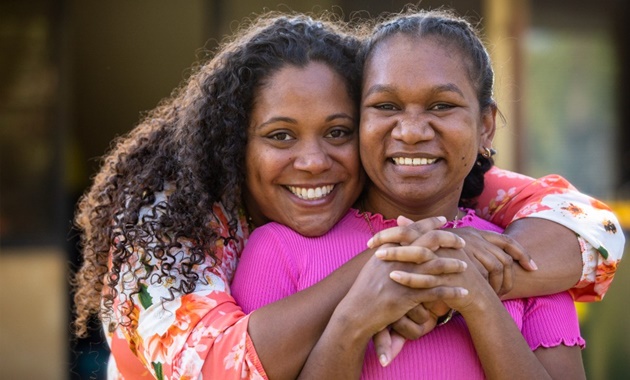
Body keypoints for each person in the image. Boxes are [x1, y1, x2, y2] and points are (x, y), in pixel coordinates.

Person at [71, 10, 624, 380]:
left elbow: (588, 227)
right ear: (232, 144)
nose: (313, 162)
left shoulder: (472, 213)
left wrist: (460, 279)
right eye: (280, 135)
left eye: (337, 132)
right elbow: (224, 363)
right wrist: (383, 276)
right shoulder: (173, 231)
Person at [231, 9, 611, 379]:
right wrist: (352, 321)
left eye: (441, 106)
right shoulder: (277, 249)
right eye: (386, 106)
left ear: (485, 127)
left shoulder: (519, 261)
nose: (411, 131)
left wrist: (476, 297)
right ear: (359, 121)